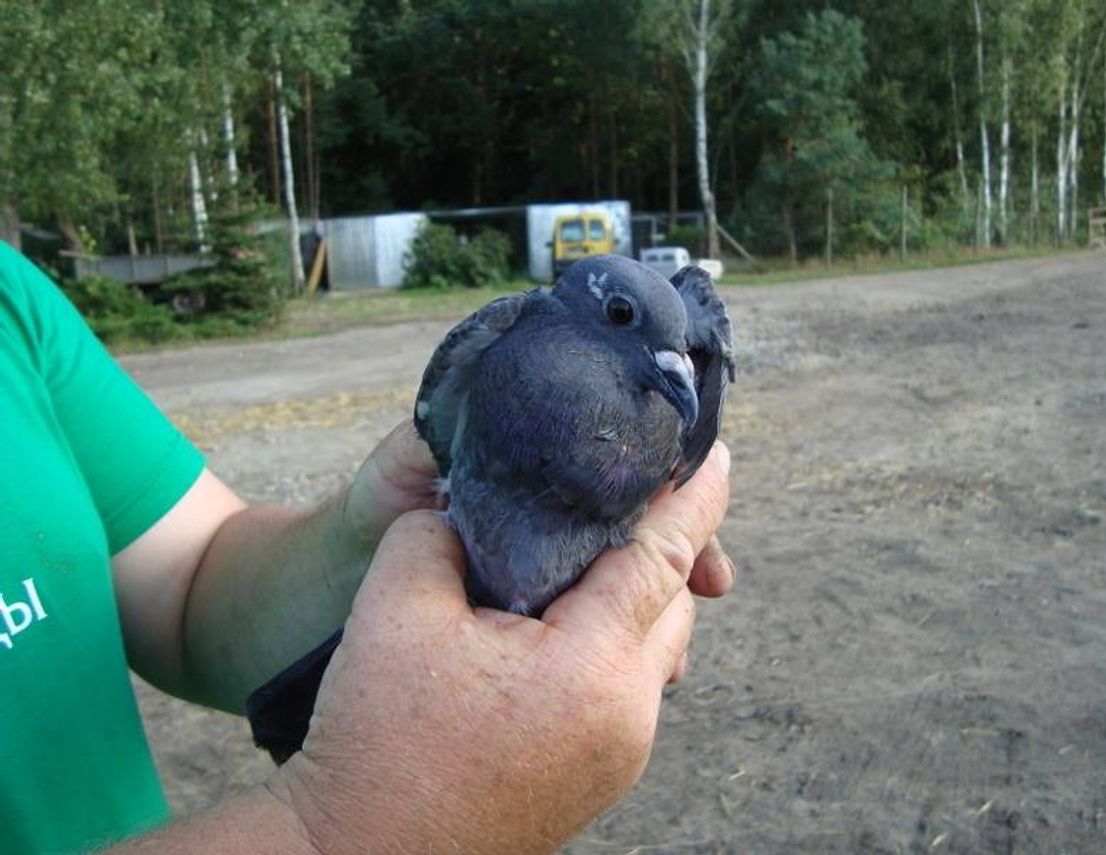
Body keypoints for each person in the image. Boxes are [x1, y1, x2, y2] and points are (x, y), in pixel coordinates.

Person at [0, 240, 733, 854]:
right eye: (620, 318)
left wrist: (360, 536)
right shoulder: (514, 337)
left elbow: (189, 577)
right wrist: (346, 828)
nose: (672, 369)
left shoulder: (12, 300)